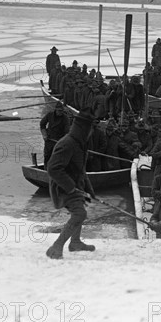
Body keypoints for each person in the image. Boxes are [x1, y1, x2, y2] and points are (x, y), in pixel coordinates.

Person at [45, 109, 97, 259]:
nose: (92, 131)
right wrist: (71, 188)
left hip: (75, 184)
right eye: (90, 128)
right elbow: (53, 168)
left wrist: (88, 189)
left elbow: (80, 170)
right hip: (62, 187)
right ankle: (56, 246)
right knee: (80, 214)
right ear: (83, 128)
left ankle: (75, 242)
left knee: (79, 210)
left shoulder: (79, 144)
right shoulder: (67, 144)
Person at [40, 101, 70, 169]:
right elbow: (42, 124)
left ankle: (56, 171)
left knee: (57, 157)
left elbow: (67, 132)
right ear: (55, 109)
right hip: (49, 139)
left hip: (59, 141)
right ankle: (46, 170)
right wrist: (44, 134)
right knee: (47, 156)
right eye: (59, 111)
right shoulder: (50, 115)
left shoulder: (65, 118)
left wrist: (63, 141)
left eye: (62, 111)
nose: (60, 112)